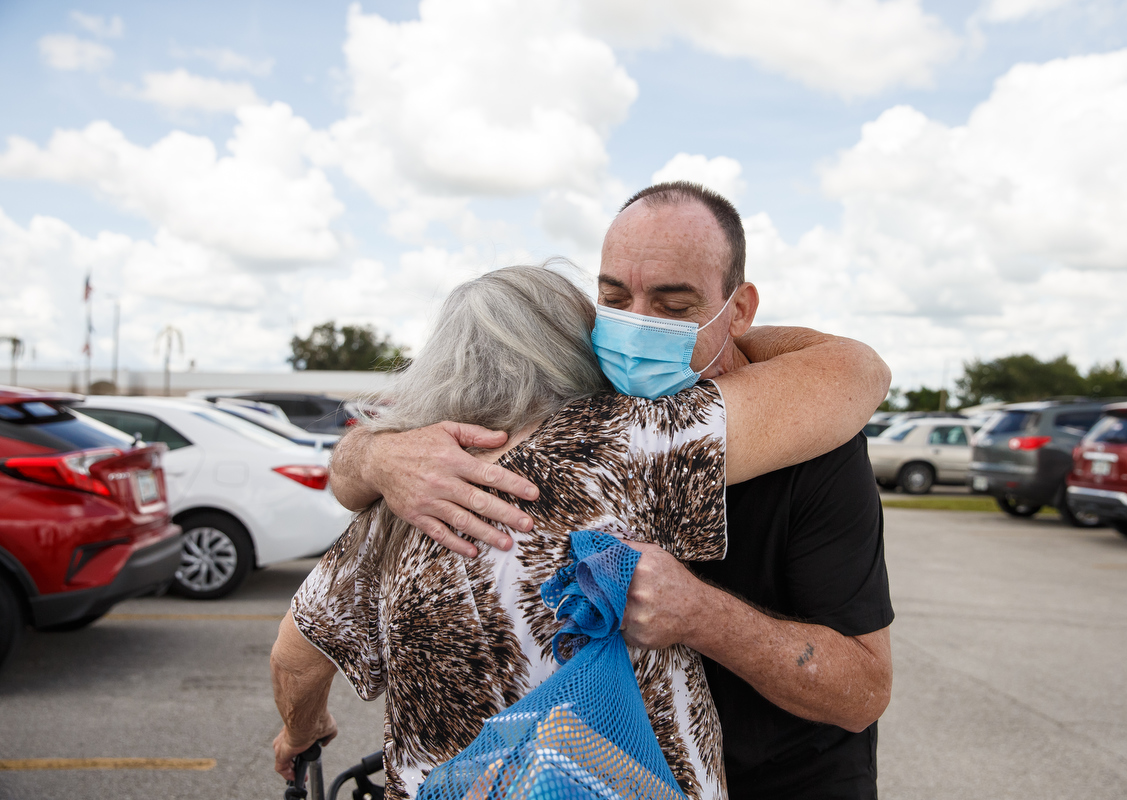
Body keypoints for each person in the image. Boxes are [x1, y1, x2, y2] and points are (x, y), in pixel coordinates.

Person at [326, 183, 895, 799]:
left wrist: (702, 616)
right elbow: (349, 484)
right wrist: (380, 454)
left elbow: (862, 694)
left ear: (738, 308)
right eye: (615, 297)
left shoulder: (813, 444)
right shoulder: (584, 405)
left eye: (674, 308)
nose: (637, 329)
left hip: (791, 782)